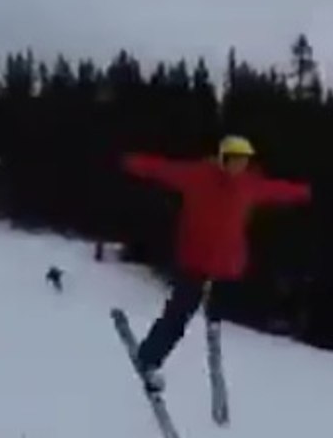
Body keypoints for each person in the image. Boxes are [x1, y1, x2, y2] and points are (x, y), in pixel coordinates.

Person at [122, 135, 312, 393]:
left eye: (243, 161)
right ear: (223, 158)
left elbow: (278, 190)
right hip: (194, 262)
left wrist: (306, 192)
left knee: (231, 308)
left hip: (227, 268)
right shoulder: (198, 176)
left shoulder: (249, 185)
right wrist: (132, 162)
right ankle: (150, 358)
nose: (238, 166)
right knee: (178, 315)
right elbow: (162, 169)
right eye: (234, 160)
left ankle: (215, 329)